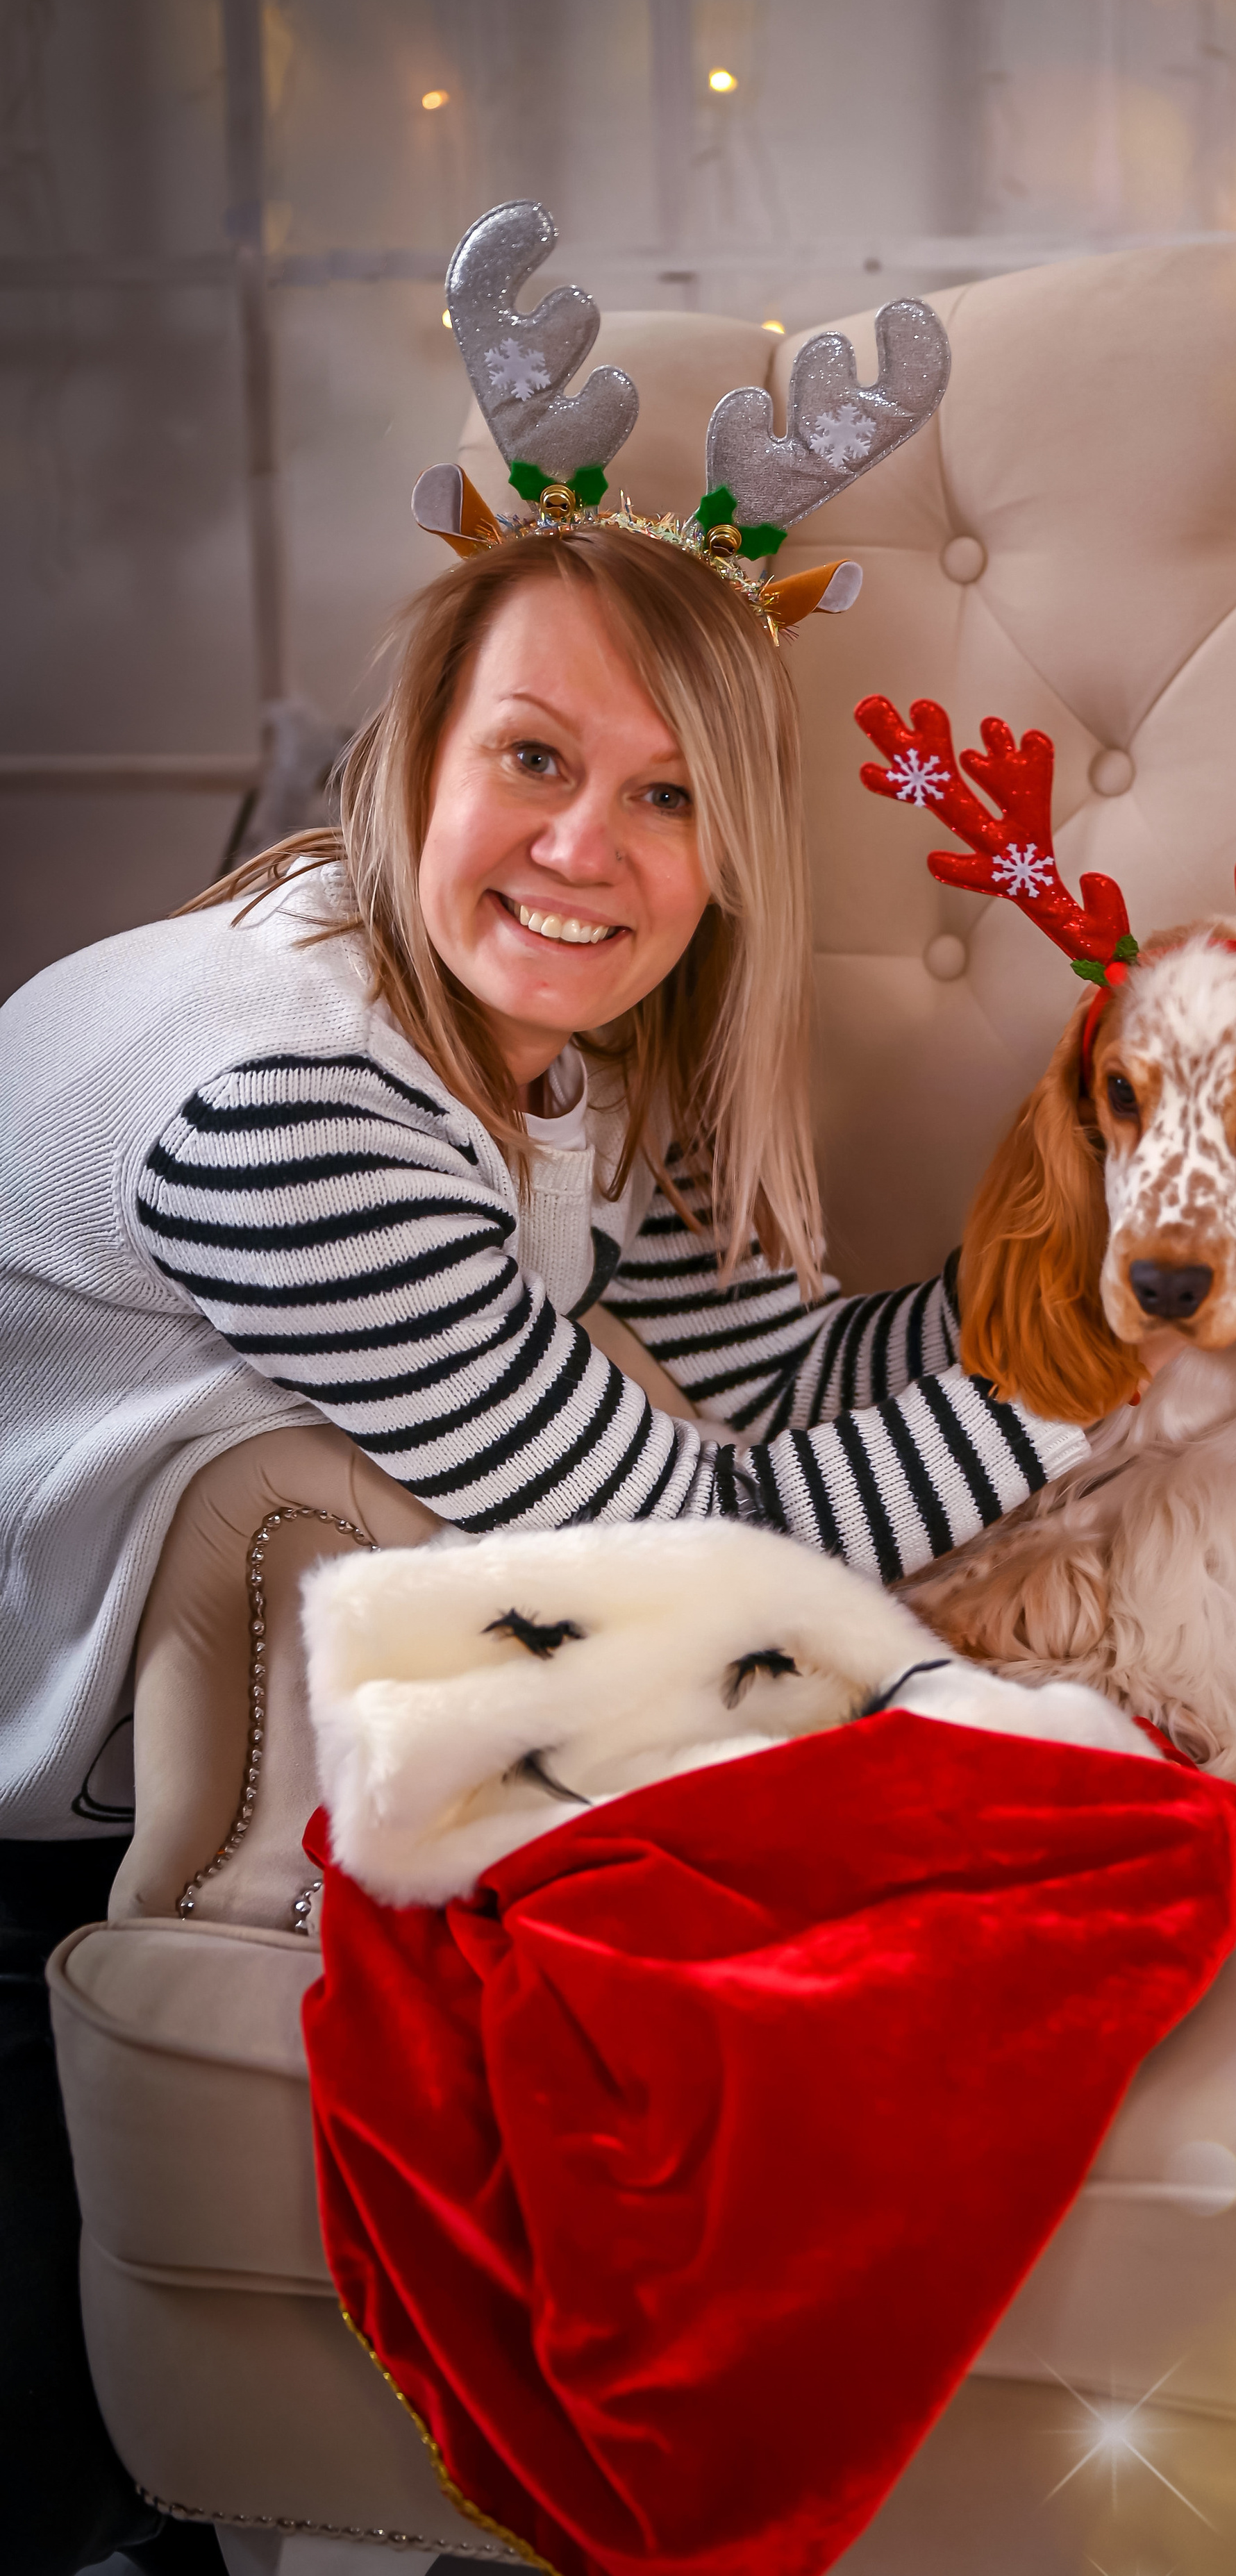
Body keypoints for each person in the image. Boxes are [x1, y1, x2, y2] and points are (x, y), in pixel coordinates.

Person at [0, 515, 1112, 2573]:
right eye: (534, 758)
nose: (590, 846)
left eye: (667, 793)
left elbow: (786, 1380)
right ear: (416, 753)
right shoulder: (297, 1103)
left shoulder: (532, 1043)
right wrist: (1106, 1384)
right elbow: (693, 1541)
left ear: (727, 855)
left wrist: (1094, 1264)